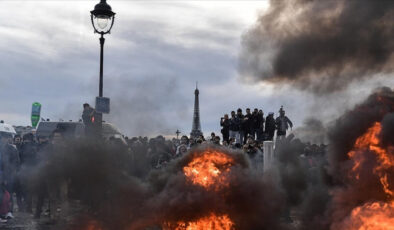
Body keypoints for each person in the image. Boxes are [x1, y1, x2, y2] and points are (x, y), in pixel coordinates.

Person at [0, 132, 20, 219]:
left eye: (4, 138)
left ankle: (9, 211)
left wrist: (11, 170)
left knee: (9, 193)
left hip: (8, 175)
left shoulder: (12, 149)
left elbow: (16, 161)